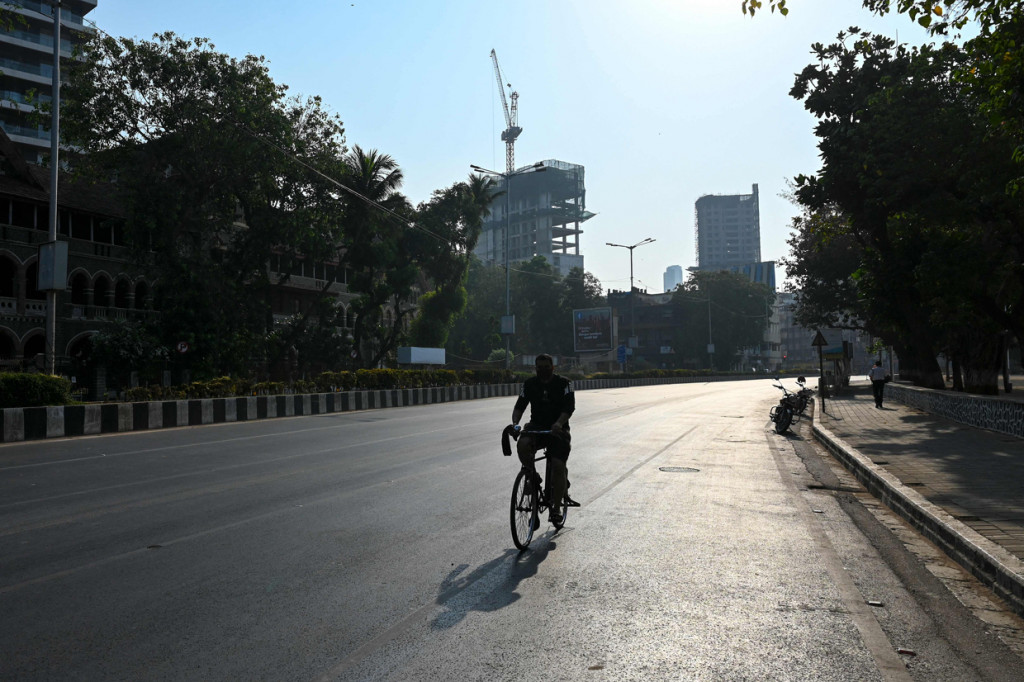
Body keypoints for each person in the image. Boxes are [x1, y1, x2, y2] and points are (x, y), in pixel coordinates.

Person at [511, 354, 575, 525]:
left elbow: (569, 408)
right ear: (535, 368)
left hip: (558, 429)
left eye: (546, 367)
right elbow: (519, 406)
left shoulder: (565, 384)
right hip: (537, 427)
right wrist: (515, 424)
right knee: (522, 445)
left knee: (558, 466)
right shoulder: (529, 384)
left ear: (553, 367)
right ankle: (533, 476)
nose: (543, 370)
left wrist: (559, 423)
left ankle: (556, 508)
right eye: (539, 367)